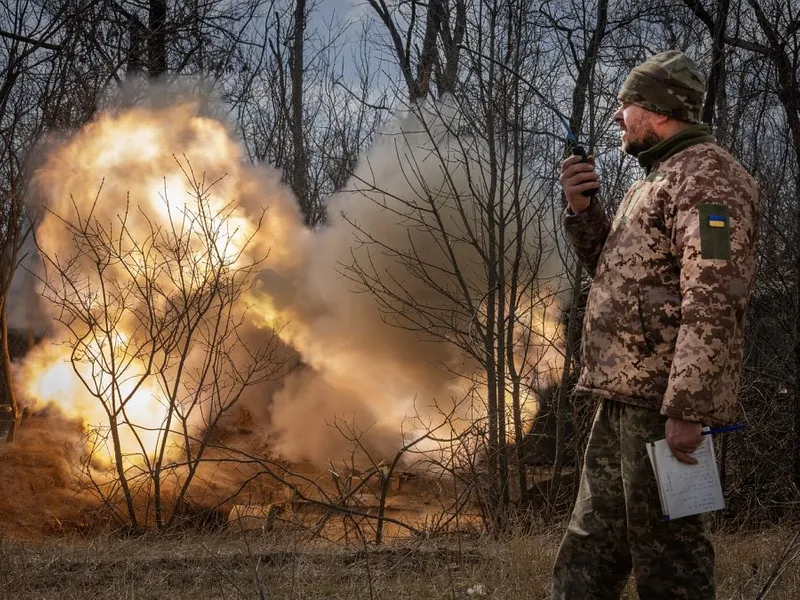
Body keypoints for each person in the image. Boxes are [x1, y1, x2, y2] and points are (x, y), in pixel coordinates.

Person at [552, 50, 759, 599]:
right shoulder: (656, 180)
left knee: (670, 560)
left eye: (626, 106)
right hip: (621, 397)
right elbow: (615, 274)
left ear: (658, 109)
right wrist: (583, 210)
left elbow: (715, 297)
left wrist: (687, 408)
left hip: (663, 405)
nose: (618, 117)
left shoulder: (710, 180)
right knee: (590, 546)